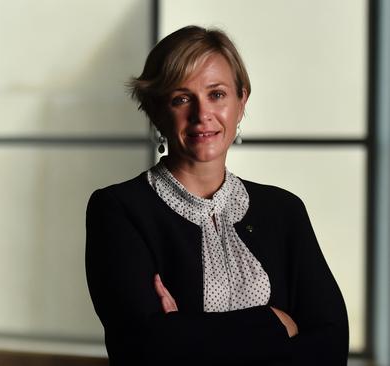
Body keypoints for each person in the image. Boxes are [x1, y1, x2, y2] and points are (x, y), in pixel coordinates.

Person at [85, 25, 349, 366]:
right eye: (181, 98)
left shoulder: (284, 210)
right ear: (155, 111)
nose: (201, 114)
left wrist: (186, 333)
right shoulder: (119, 210)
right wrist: (274, 323)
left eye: (217, 94)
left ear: (242, 101)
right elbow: (143, 348)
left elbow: (331, 345)